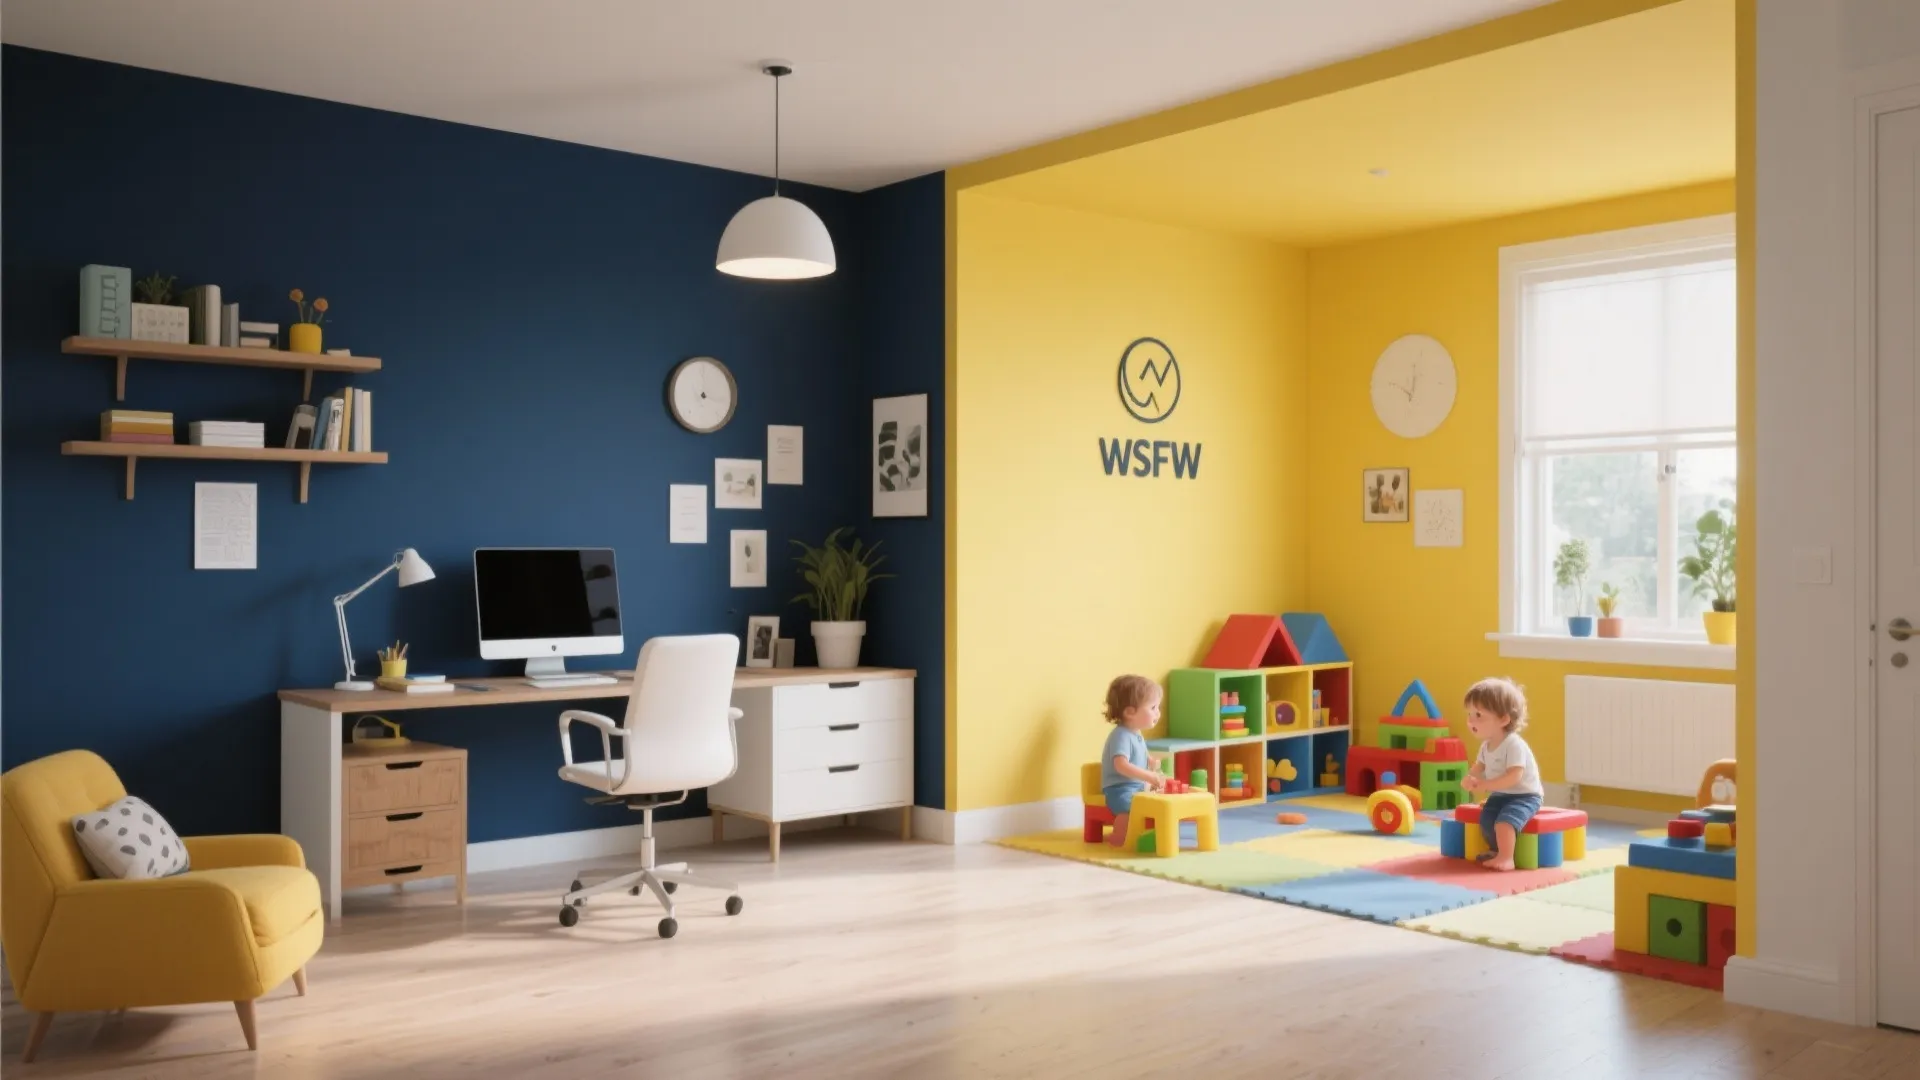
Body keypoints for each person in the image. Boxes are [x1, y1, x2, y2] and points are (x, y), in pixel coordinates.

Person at [1460, 677, 1543, 871]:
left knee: (1504, 823)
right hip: (1501, 794)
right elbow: (1479, 767)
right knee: (1487, 819)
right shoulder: (1486, 745)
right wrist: (1470, 778)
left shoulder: (1513, 744)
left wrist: (1486, 785)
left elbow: (1514, 776)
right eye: (1470, 714)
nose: (1471, 720)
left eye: (1479, 714)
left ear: (1504, 719)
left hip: (1525, 796)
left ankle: (1507, 858)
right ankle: (1497, 850)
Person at [1100, 675, 1167, 847]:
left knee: (1158, 800)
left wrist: (1150, 762)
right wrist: (1148, 775)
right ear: (1130, 712)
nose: (1158, 712)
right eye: (1153, 707)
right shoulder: (1121, 735)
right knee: (1132, 807)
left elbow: (1138, 757)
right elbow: (1121, 765)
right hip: (1119, 790)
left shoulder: (1136, 733)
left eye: (1157, 707)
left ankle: (1149, 833)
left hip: (1136, 788)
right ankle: (1120, 835)